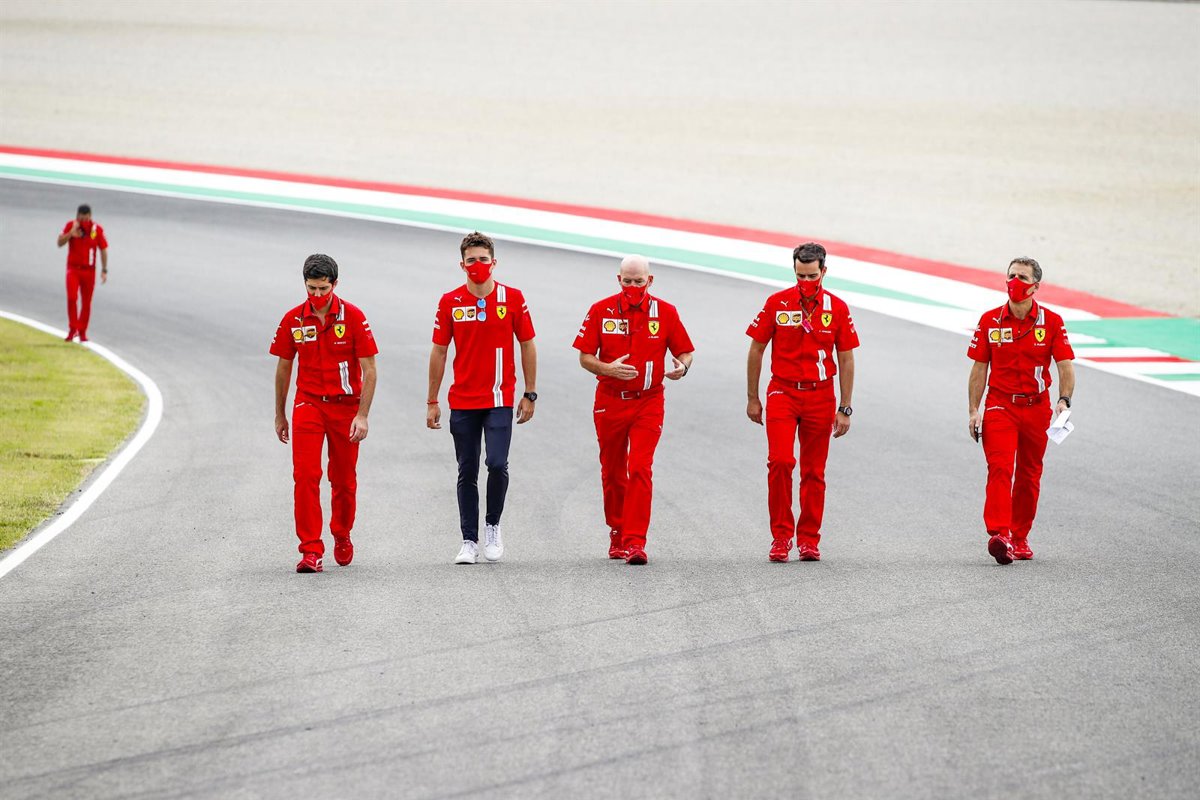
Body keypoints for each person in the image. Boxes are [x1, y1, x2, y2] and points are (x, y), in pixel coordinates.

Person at [573, 255, 695, 565]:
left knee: (640, 467)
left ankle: (636, 541)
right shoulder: (600, 310)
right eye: (627, 281)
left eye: (639, 282)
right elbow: (585, 356)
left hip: (649, 401)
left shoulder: (665, 312)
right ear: (618, 280)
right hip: (610, 400)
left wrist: (682, 367)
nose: (632, 287)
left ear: (649, 281)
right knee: (613, 470)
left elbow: (686, 352)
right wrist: (607, 368)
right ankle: (617, 531)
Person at [427, 232, 537, 565]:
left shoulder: (512, 298)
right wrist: (432, 400)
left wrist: (529, 393)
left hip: (499, 398)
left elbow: (527, 344)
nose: (478, 265)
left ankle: (492, 527)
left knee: (497, 463)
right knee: (467, 469)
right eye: (471, 260)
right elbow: (439, 351)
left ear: (494, 262)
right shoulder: (450, 301)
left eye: (483, 259)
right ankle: (468, 540)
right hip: (463, 401)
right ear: (462, 265)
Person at [746, 242, 859, 563]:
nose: (806, 282)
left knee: (813, 471)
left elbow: (846, 358)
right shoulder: (777, 303)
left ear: (824, 271)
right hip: (782, 392)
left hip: (821, 395)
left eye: (812, 276)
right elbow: (756, 349)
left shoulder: (838, 308)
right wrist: (753, 398)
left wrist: (845, 407)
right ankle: (781, 537)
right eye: (800, 276)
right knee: (780, 462)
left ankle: (809, 539)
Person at [270, 254, 378, 573]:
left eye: (323, 288)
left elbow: (370, 370)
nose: (317, 295)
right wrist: (280, 414)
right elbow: (284, 367)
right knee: (305, 475)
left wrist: (362, 415)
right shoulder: (294, 319)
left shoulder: (353, 317)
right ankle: (311, 550)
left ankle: (342, 533)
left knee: (343, 479)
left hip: (346, 407)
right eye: (311, 288)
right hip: (309, 404)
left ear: (335, 284)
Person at [967, 257, 1075, 564]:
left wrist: (1064, 400)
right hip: (1000, 405)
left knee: (1029, 474)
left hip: (1037, 408)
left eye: (1022, 277)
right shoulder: (990, 320)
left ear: (1035, 286)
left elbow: (1065, 366)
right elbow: (979, 369)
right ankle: (1000, 534)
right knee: (1000, 467)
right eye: (1011, 275)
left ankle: (1020, 536)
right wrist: (974, 410)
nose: (1015, 281)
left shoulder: (1051, 322)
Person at [55, 203, 108, 342]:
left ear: (90, 216)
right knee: (72, 298)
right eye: (81, 218)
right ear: (77, 216)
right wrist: (70, 234)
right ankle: (73, 329)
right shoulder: (71, 225)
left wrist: (104, 269)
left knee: (86, 302)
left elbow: (103, 249)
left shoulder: (96, 229)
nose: (84, 221)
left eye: (86, 218)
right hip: (73, 269)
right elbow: (59, 243)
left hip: (89, 271)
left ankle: (82, 331)